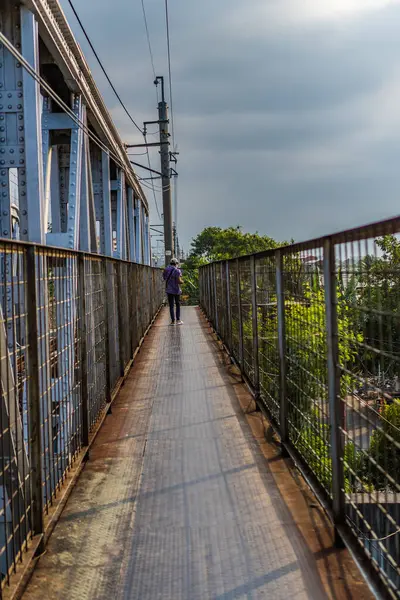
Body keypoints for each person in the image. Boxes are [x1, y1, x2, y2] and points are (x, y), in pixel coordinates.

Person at [163, 258, 183, 325]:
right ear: (176, 264)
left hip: (169, 289)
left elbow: (164, 278)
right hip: (176, 290)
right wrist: (182, 282)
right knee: (177, 304)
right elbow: (179, 281)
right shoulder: (177, 270)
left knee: (171, 305)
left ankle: (172, 321)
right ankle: (178, 320)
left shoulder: (166, 270)